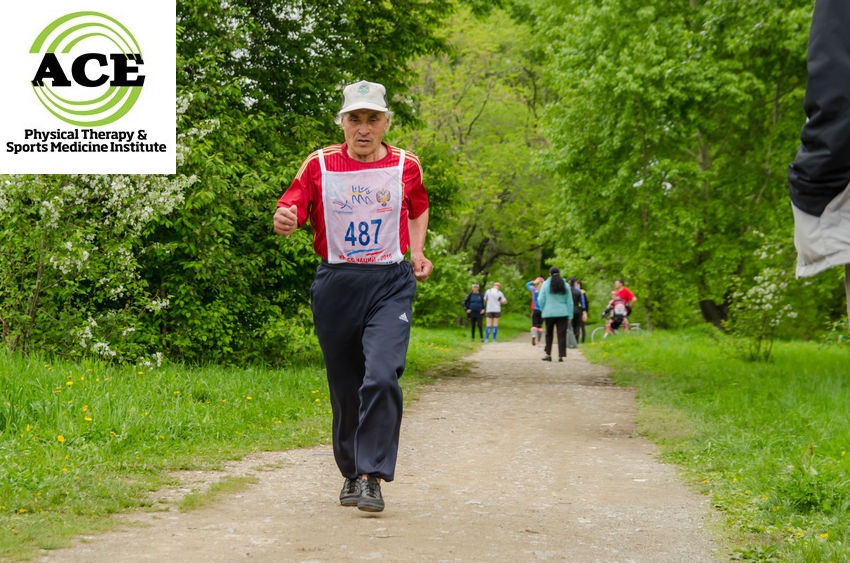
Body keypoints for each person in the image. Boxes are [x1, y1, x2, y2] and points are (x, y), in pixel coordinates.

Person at [273, 80, 432, 513]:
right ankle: (349, 473)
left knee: (381, 376)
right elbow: (292, 207)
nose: (363, 128)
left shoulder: (406, 164)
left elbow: (417, 207)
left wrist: (417, 252)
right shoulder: (319, 164)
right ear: (342, 122)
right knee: (345, 388)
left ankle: (371, 476)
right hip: (337, 282)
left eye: (372, 119)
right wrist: (285, 218)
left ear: (386, 122)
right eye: (354, 119)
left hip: (390, 282)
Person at [537, 267, 573, 362]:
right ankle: (561, 355)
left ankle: (548, 355)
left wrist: (543, 309)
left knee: (549, 334)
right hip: (563, 313)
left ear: (550, 274)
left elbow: (540, 299)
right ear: (559, 273)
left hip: (549, 313)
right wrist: (570, 315)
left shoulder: (545, 285)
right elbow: (570, 302)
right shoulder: (565, 285)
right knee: (561, 334)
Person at [525, 277, 544, 345]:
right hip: (542, 310)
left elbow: (527, 284)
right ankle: (539, 342)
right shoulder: (544, 291)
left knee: (534, 325)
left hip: (535, 309)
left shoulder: (533, 289)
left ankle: (533, 336)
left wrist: (533, 282)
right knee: (540, 326)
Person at [569, 278, 588, 344]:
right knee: (577, 326)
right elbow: (583, 302)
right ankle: (576, 341)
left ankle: (571, 341)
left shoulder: (568, 291)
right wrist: (584, 311)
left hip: (570, 310)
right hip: (578, 309)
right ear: (575, 283)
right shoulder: (579, 291)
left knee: (571, 326)